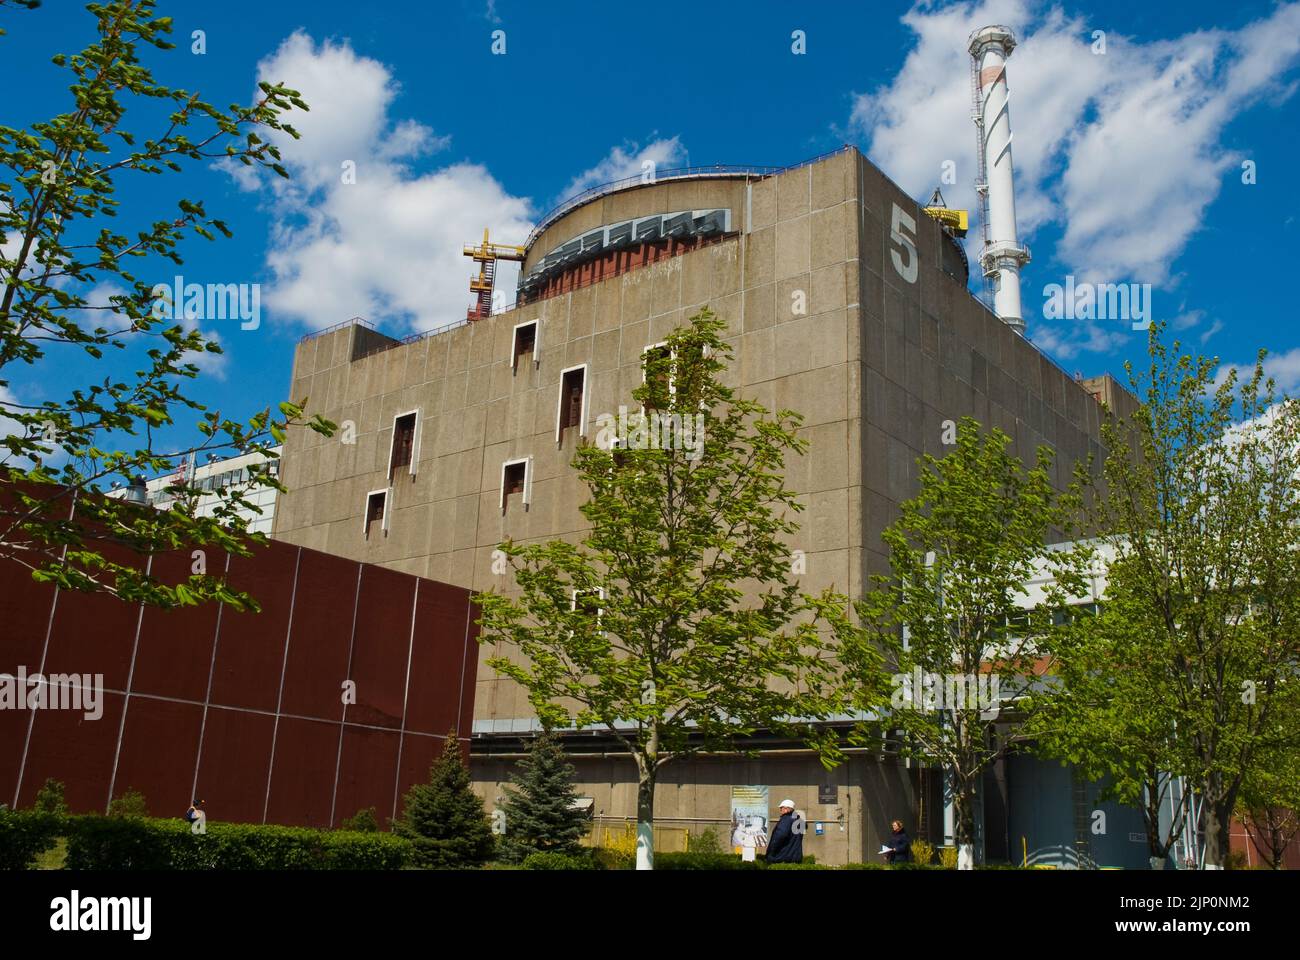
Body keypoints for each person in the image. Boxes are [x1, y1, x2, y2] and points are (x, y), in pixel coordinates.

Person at [765, 799, 803, 864]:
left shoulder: (786, 819)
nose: (780, 810)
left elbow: (779, 837)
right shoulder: (798, 821)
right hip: (795, 857)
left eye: (781, 808)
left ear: (786, 809)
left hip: (782, 857)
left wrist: (771, 852)